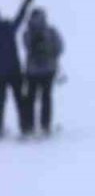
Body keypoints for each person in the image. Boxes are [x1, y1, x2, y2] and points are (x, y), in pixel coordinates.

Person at [22, 7, 63, 136]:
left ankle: (29, 126)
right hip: (48, 70)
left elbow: (26, 46)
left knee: (31, 98)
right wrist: (53, 58)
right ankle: (45, 126)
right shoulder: (51, 31)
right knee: (46, 98)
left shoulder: (28, 32)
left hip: (32, 71)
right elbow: (60, 47)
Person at [0, 0, 33, 138]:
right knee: (20, 99)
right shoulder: (9, 27)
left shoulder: (9, 27)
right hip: (14, 71)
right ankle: (25, 127)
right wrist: (26, 3)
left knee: (1, 102)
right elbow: (20, 17)